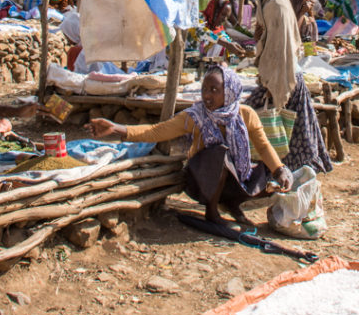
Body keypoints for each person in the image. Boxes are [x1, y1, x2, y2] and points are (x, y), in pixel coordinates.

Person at [87, 66, 292, 226]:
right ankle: (212, 213)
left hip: (233, 177)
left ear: (229, 92)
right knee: (219, 154)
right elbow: (156, 131)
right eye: (205, 89)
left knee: (266, 173)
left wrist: (280, 170)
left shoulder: (245, 115)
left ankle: (231, 202)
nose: (207, 95)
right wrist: (117, 129)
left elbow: (264, 147)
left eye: (214, 90)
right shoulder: (195, 116)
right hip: (201, 180)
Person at [244, 0, 332, 172]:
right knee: (293, 130)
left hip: (283, 77)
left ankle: (286, 173)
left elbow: (281, 50)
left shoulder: (277, 5)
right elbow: (271, 40)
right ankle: (291, 171)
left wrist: (273, 85)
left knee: (276, 125)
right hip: (284, 76)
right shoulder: (268, 2)